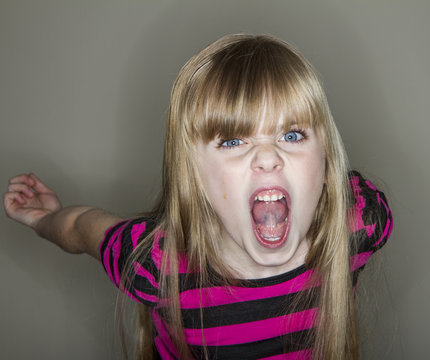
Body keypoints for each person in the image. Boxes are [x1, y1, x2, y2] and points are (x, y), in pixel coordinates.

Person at [4, 34, 392, 360]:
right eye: (233, 140)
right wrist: (43, 219)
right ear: (194, 177)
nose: (268, 157)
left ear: (326, 165)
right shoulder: (159, 263)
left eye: (291, 136)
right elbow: (83, 228)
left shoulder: (360, 222)